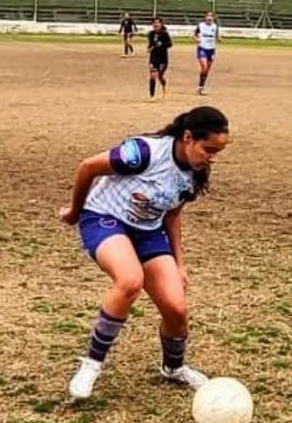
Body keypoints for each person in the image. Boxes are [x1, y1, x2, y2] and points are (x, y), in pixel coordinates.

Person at [60, 106, 231, 400]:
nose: (212, 158)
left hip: (148, 232)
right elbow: (87, 166)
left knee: (176, 308)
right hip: (104, 217)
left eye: (217, 152)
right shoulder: (142, 153)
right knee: (129, 280)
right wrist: (75, 212)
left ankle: (173, 368)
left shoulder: (194, 173)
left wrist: (179, 264)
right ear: (188, 137)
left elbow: (173, 215)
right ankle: (92, 364)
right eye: (208, 149)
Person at [194, 11, 221, 96]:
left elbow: (216, 36)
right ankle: (200, 87)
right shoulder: (201, 26)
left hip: (211, 50)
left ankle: (201, 87)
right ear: (205, 17)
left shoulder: (215, 26)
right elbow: (195, 34)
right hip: (202, 48)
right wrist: (196, 39)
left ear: (213, 18)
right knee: (204, 67)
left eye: (211, 16)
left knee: (207, 70)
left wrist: (219, 38)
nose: (209, 18)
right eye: (208, 16)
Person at [147, 17, 172, 101]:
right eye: (154, 23)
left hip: (163, 58)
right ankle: (152, 96)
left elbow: (169, 44)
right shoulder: (151, 34)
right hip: (153, 58)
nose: (156, 24)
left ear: (161, 24)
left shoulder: (164, 34)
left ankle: (164, 86)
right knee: (152, 76)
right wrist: (149, 48)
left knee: (160, 76)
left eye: (158, 23)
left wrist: (161, 44)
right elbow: (150, 44)